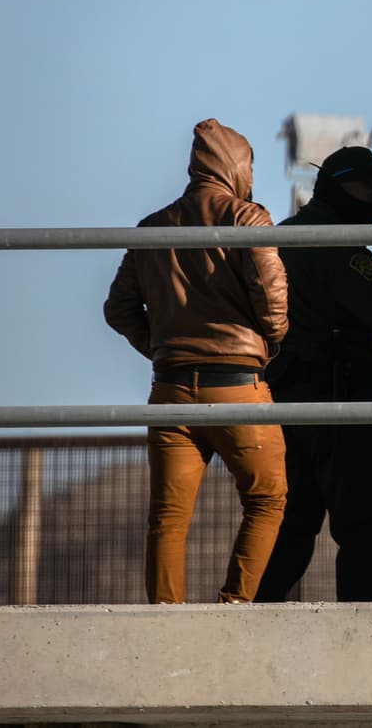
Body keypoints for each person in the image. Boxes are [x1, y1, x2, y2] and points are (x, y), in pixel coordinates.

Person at [104, 118, 289, 604]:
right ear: (236, 165)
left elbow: (118, 308)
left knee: (167, 517)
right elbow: (273, 299)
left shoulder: (151, 228)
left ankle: (166, 617)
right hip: (238, 389)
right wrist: (266, 345)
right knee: (267, 499)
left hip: (170, 390)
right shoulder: (247, 218)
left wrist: (161, 348)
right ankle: (234, 606)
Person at [255, 146, 372, 602]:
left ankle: (246, 622)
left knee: (287, 530)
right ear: (343, 186)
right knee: (367, 531)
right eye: (370, 189)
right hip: (340, 410)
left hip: (281, 408)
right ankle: (366, 642)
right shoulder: (340, 249)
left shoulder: (280, 238)